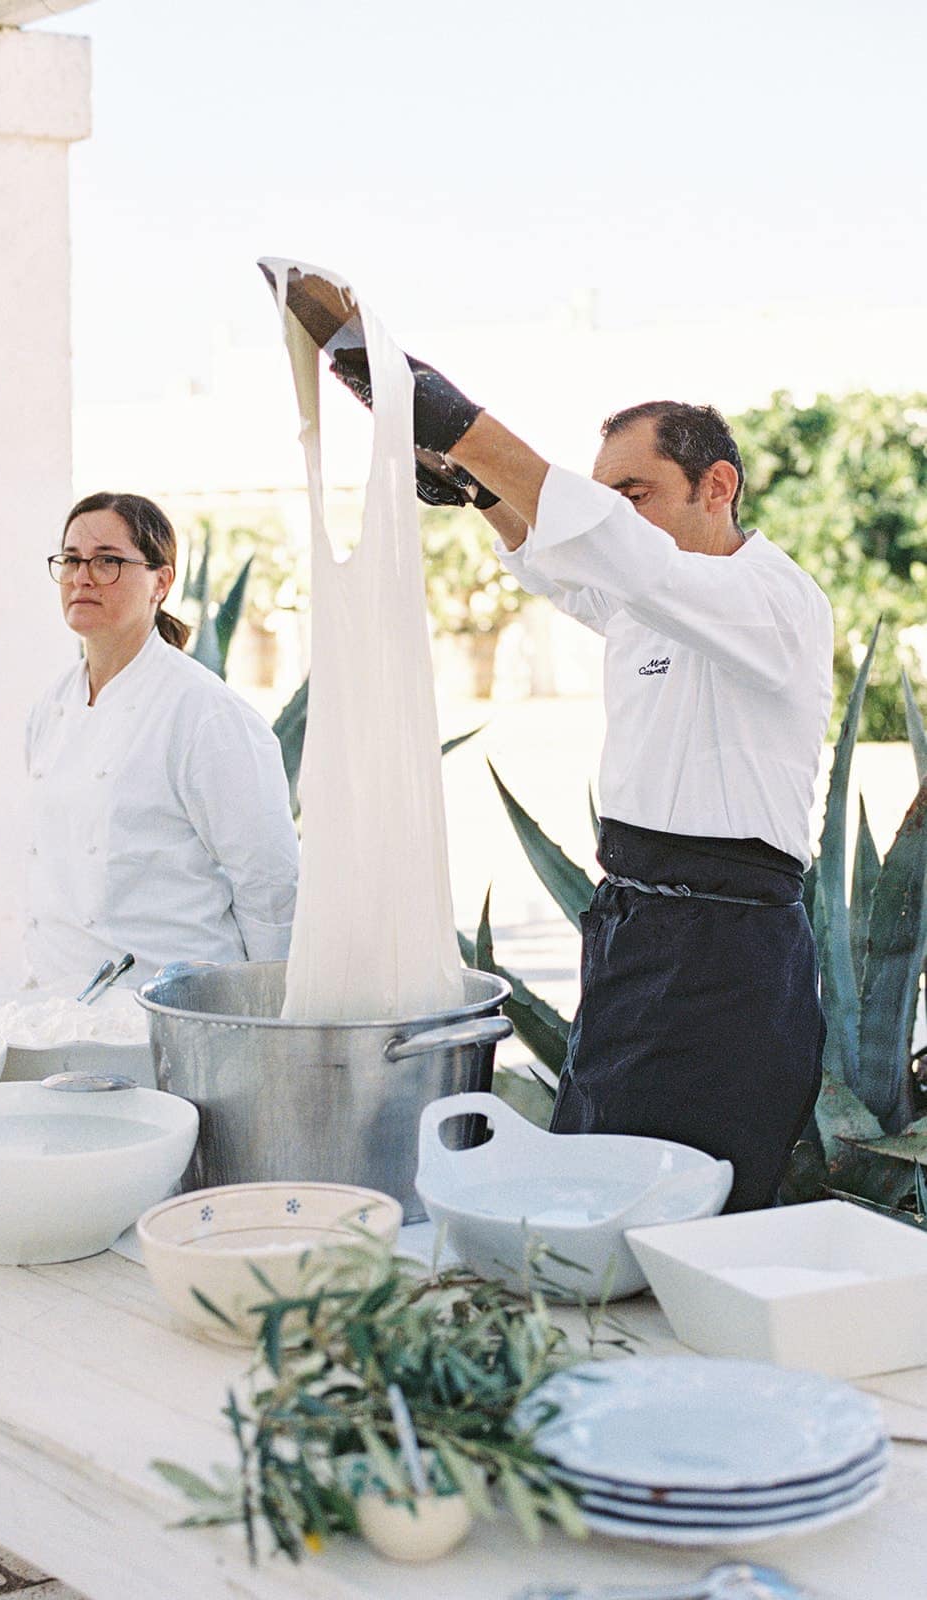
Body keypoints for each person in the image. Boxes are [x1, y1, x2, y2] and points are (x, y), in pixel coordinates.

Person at [278, 269, 831, 1212]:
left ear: (718, 485)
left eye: (638, 492)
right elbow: (575, 575)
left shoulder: (769, 602)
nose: (617, 512)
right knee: (591, 1189)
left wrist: (454, 418)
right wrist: (474, 490)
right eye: (606, 492)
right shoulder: (654, 605)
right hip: (634, 934)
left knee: (679, 1212)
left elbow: (615, 556)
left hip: (727, 957)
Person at [25, 491, 299, 988]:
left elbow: (269, 884)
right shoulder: (51, 708)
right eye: (70, 560)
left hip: (170, 1010)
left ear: (161, 581)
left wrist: (269, 1013)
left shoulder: (203, 713)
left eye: (107, 560)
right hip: (58, 1009)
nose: (82, 576)